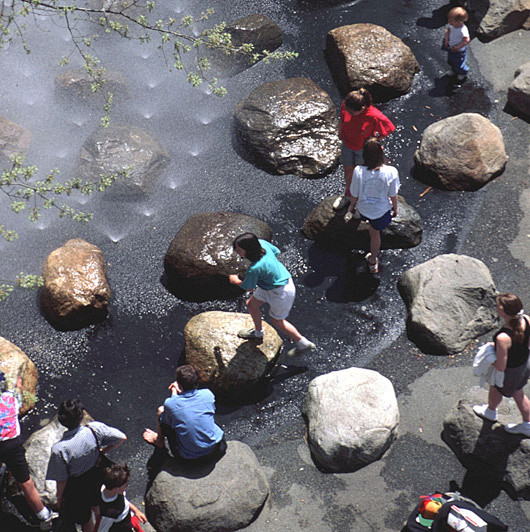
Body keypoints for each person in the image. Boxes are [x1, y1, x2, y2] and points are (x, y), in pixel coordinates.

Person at [228, 233, 316, 357]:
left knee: (277, 321)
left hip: (281, 291)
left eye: (239, 249)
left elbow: (249, 287)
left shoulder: (255, 268)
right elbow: (277, 251)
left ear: (249, 250)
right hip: (269, 284)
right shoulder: (262, 244)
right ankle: (258, 333)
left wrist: (235, 280)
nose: (236, 251)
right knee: (251, 305)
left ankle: (303, 343)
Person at [46, 398, 127, 532]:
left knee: (85, 518)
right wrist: (103, 451)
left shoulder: (60, 449)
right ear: (81, 415)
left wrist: (59, 498)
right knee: (97, 507)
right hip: (96, 476)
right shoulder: (94, 429)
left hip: (77, 487)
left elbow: (62, 479)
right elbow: (121, 437)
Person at [0, 372, 58, 531]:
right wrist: (18, 381)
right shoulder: (9, 399)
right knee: (26, 483)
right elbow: (19, 393)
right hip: (12, 445)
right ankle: (44, 517)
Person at [473, 293, 530, 437]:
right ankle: (491, 410)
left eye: (499, 307)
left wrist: (489, 356)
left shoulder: (503, 337)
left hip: (510, 371)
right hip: (524, 364)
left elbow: (500, 366)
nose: (496, 308)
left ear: (505, 312)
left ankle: (527, 425)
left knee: (516, 393)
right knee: (504, 390)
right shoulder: (527, 320)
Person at [143, 365, 226, 462]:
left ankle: (159, 441)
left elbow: (170, 414)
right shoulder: (207, 394)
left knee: (162, 412)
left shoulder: (170, 403)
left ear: (179, 384)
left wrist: (174, 392)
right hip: (217, 449)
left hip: (190, 459)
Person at [334, 87, 395, 212]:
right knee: (348, 170)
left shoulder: (373, 115)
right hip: (347, 144)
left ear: (361, 109)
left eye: (351, 113)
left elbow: (388, 128)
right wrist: (340, 130)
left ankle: (358, 199)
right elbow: (342, 117)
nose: (348, 113)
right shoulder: (347, 105)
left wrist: (374, 143)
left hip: (362, 149)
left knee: (360, 174)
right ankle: (348, 194)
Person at [347, 137, 400, 274]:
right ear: (381, 150)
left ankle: (362, 218)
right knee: (375, 234)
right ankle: (372, 261)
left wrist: (352, 207)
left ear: (364, 153)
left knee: (363, 215)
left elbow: (354, 193)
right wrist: (395, 207)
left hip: (364, 209)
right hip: (381, 211)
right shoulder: (391, 171)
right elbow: (393, 194)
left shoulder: (358, 171)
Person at [96, 463, 146, 532]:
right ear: (116, 488)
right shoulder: (110, 513)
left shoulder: (109, 489)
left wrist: (136, 511)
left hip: (129, 518)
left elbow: (124, 501)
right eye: (125, 486)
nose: (126, 488)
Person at [443, 6, 470, 83]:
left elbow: (467, 40)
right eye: (449, 19)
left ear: (459, 21)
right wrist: (446, 39)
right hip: (451, 47)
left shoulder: (463, 30)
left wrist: (458, 47)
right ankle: (453, 69)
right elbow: (448, 29)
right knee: (451, 60)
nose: (449, 21)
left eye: (451, 20)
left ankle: (463, 72)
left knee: (459, 63)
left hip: (459, 51)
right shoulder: (452, 25)